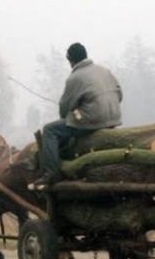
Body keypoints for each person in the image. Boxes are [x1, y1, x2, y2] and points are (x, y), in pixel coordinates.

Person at [33, 42, 123, 186]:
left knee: (49, 130)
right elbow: (120, 94)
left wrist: (73, 115)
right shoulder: (104, 70)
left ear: (70, 60)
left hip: (93, 120)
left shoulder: (74, 77)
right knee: (69, 122)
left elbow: (64, 108)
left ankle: (52, 173)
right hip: (114, 118)